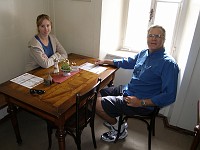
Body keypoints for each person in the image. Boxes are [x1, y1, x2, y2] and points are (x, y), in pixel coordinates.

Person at [95, 25, 179, 142]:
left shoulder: (168, 64)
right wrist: (106, 61)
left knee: (94, 103)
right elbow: (129, 62)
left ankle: (119, 129)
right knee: (96, 93)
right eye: (150, 35)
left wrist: (141, 102)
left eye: (157, 36)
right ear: (147, 37)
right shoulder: (144, 52)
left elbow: (169, 95)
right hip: (128, 90)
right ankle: (119, 121)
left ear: (164, 39)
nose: (153, 39)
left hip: (142, 102)